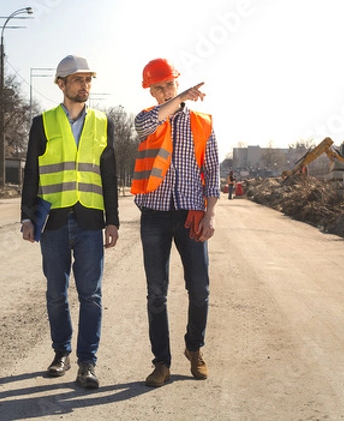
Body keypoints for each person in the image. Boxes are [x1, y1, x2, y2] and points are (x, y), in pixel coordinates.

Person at [21, 54, 119, 390]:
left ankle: (87, 363)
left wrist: (113, 221)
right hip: (54, 221)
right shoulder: (43, 122)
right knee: (55, 293)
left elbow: (109, 174)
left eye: (88, 79)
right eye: (78, 80)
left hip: (91, 221)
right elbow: (32, 173)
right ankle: (61, 352)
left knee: (91, 295)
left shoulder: (103, 123)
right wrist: (27, 218)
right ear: (61, 84)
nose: (85, 85)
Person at [131, 58, 220, 387]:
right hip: (154, 215)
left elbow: (212, 172)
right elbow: (147, 125)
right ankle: (161, 363)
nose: (166, 90)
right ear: (152, 92)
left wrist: (210, 213)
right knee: (156, 293)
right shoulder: (147, 120)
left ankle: (194, 349)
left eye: (170, 84)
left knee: (200, 289)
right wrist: (179, 98)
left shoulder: (202, 122)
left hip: (191, 214)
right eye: (160, 87)